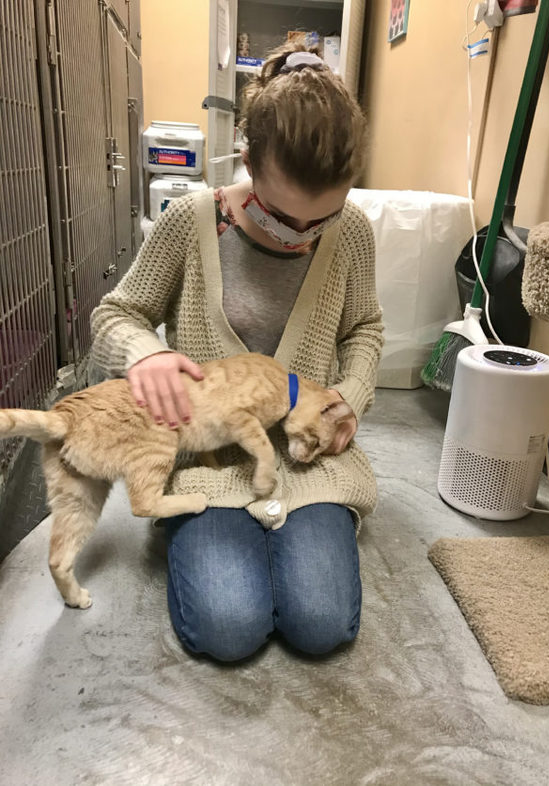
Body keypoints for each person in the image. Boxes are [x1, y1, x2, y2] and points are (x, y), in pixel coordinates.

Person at [90, 43, 384, 662]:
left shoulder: (352, 232)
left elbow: (363, 330)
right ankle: (199, 535)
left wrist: (345, 403)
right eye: (283, 218)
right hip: (207, 460)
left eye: (320, 221)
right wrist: (144, 353)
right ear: (246, 162)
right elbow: (117, 314)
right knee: (228, 629)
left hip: (308, 459)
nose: (302, 238)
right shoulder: (192, 221)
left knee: (321, 623)